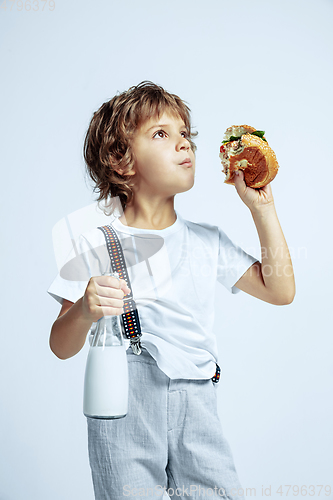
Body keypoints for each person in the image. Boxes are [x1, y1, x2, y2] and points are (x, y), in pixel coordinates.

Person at [47, 81, 295, 500]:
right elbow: (60, 345)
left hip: (197, 401)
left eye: (185, 134)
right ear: (122, 160)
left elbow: (281, 289)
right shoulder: (96, 242)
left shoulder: (206, 241)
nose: (184, 144)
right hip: (124, 402)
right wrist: (84, 311)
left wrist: (261, 207)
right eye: (162, 134)